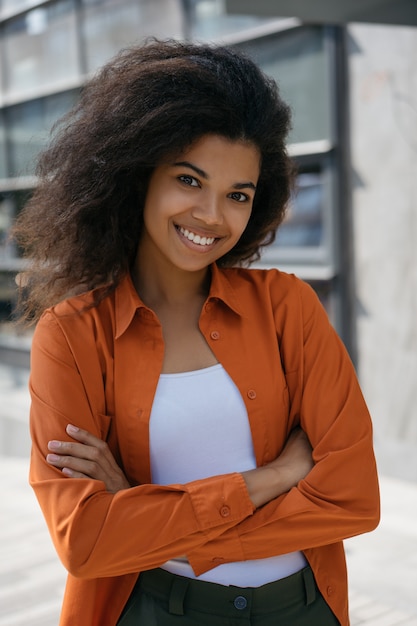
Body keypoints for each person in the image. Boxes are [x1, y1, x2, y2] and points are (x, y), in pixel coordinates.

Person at [12, 39, 379, 626]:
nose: (212, 215)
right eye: (189, 180)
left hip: (303, 609)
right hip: (153, 609)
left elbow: (352, 498)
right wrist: (278, 476)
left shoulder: (288, 307)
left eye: (238, 195)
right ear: (139, 174)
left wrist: (138, 511)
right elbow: (84, 543)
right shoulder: (72, 337)